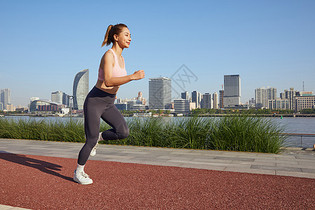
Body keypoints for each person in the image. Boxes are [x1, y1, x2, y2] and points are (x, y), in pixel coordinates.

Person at [73, 23, 145, 185]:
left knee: (123, 132)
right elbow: (108, 81)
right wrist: (132, 77)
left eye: (130, 35)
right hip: (95, 101)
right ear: (116, 37)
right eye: (126, 35)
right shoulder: (109, 55)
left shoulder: (121, 58)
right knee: (90, 141)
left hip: (109, 103)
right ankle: (78, 172)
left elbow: (115, 84)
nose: (130, 38)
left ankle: (99, 137)